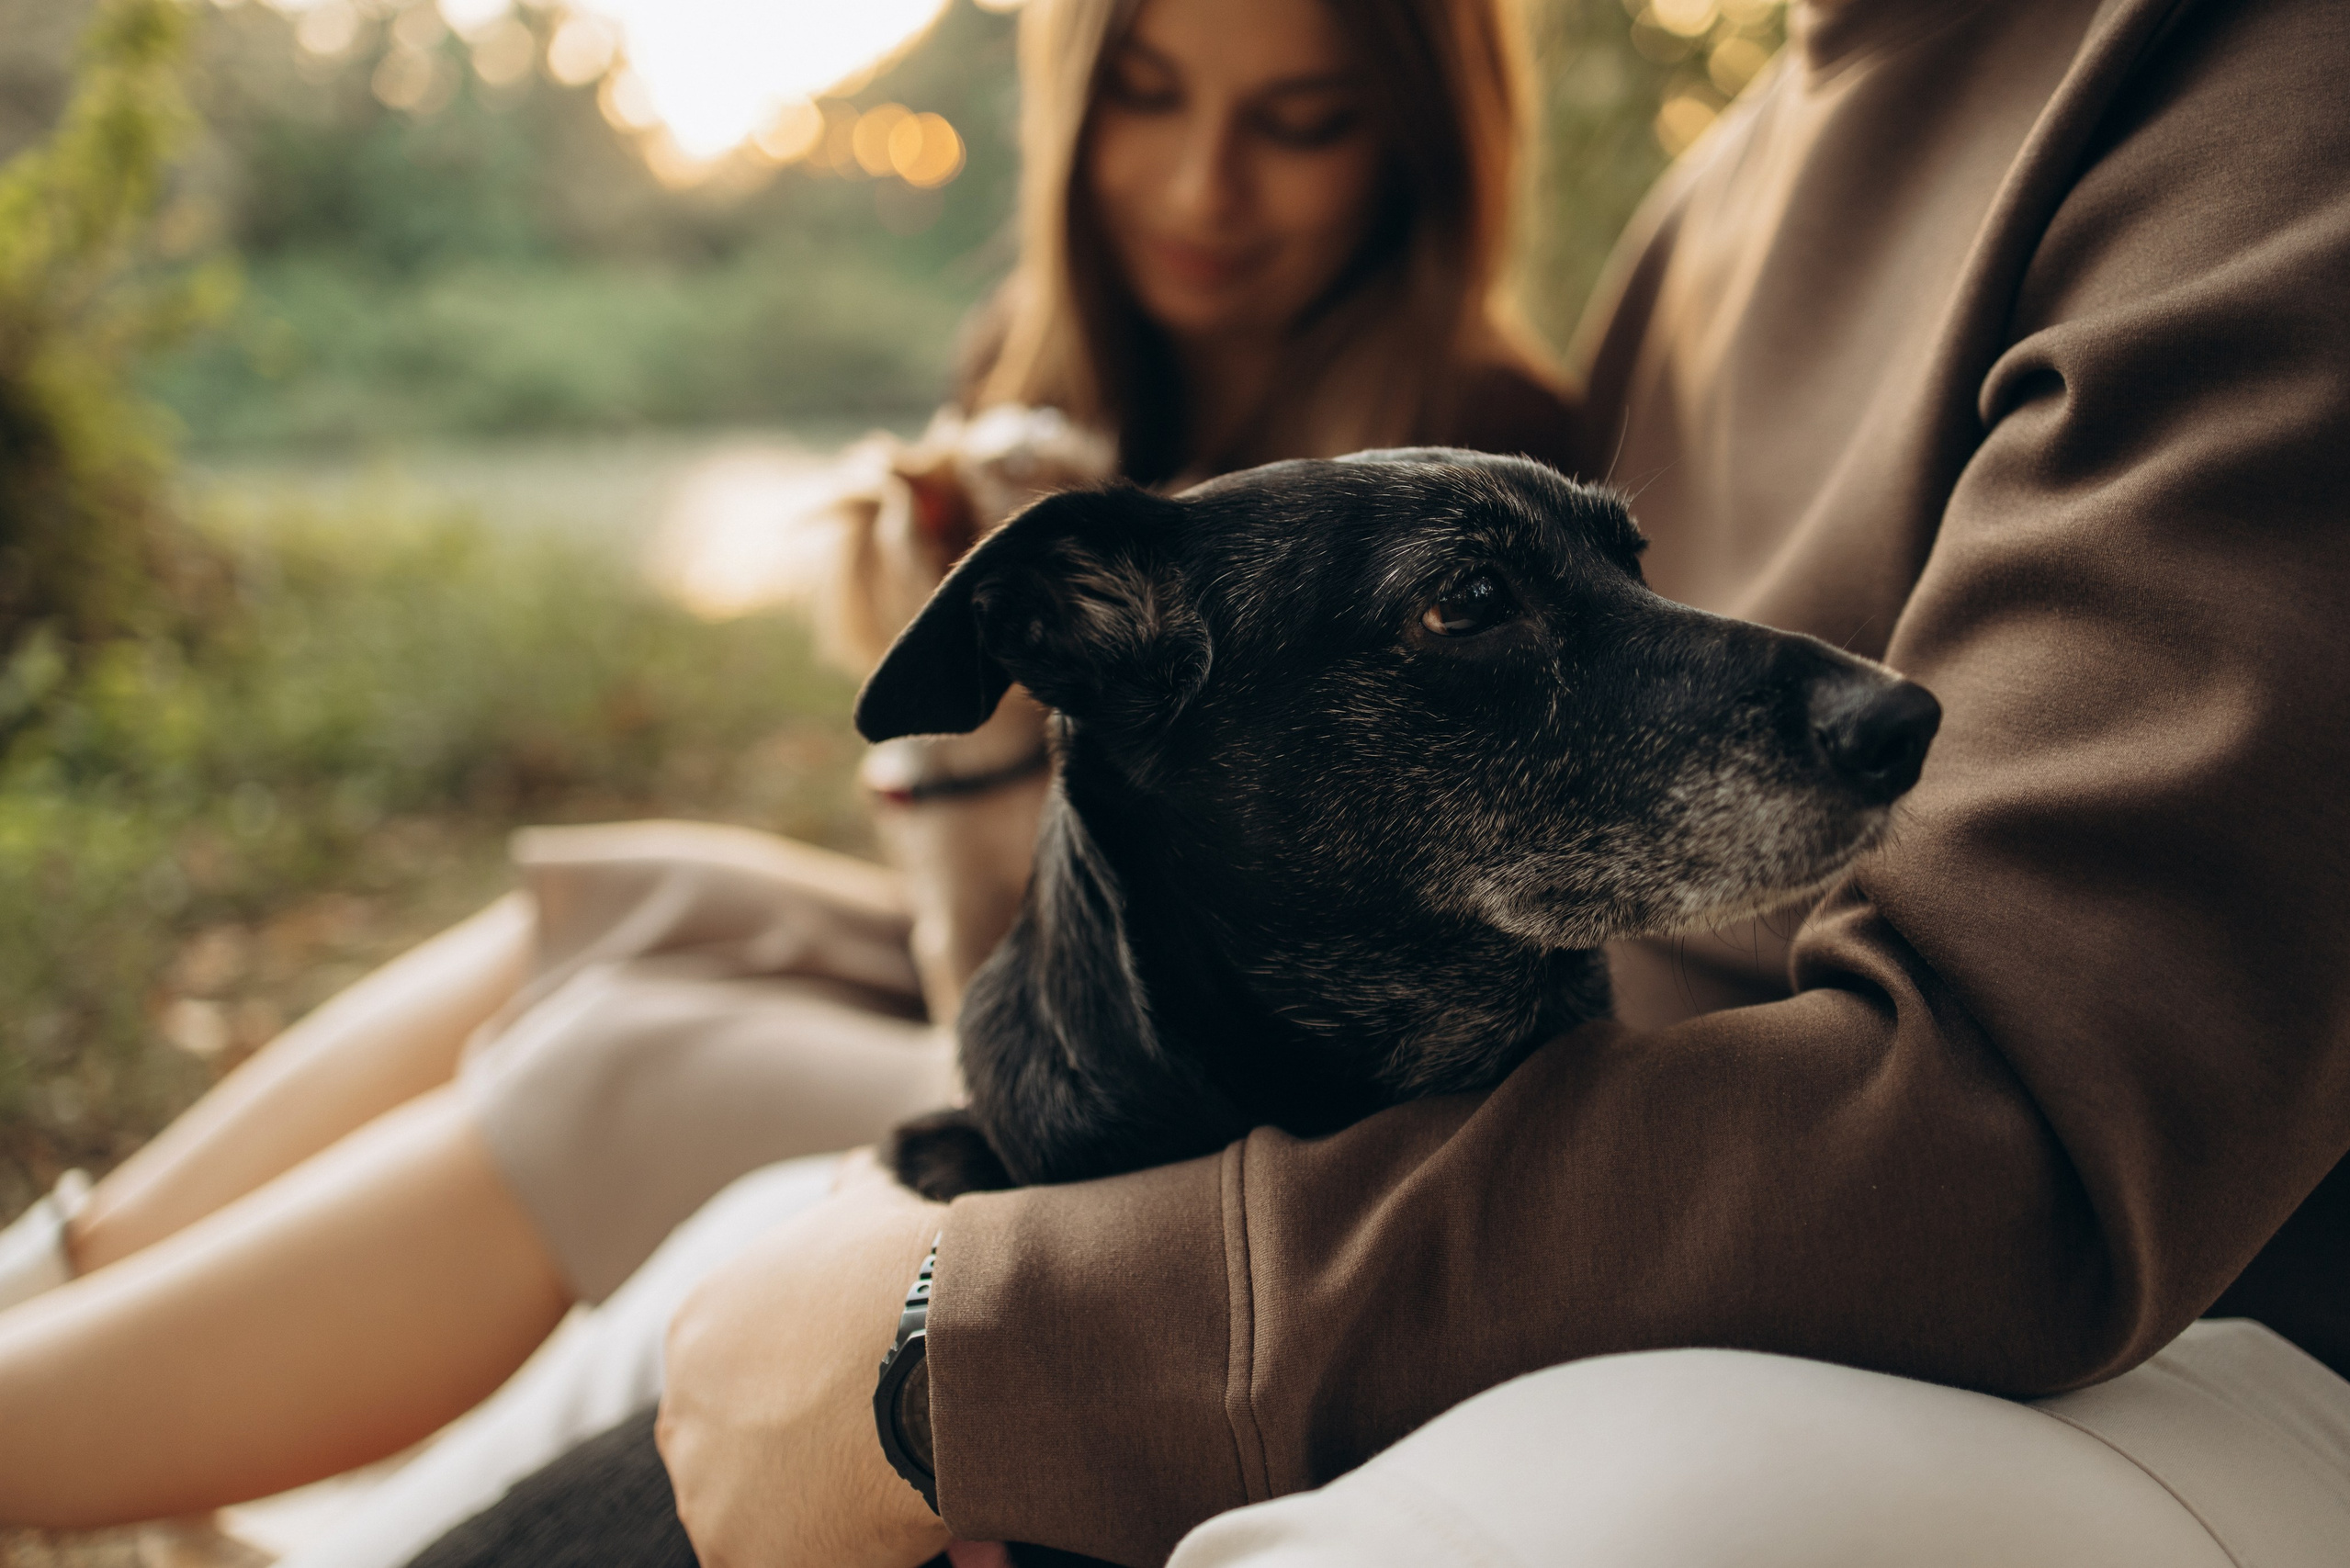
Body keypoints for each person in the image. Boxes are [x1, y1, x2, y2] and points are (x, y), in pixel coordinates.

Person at [648, 0, 2350, 1564]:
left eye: (1297, 115)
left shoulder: (2269, 102)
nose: (1204, 185)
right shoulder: (1726, 172)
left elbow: (2022, 1142)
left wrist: (987, 1346)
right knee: (696, 1232)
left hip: (2151, 1346)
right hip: (1594, 1195)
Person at [0, 0, 1573, 1534]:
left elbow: (1063, 1011)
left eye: (1298, 123)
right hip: (1026, 964)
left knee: (617, 1060)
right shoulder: (1065, 357)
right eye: (1146, 95)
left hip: (1220, 1125)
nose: (1198, 185)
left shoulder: (1473, 473)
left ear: (1422, 143)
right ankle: (34, 1302)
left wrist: (971, 769)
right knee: (615, 902)